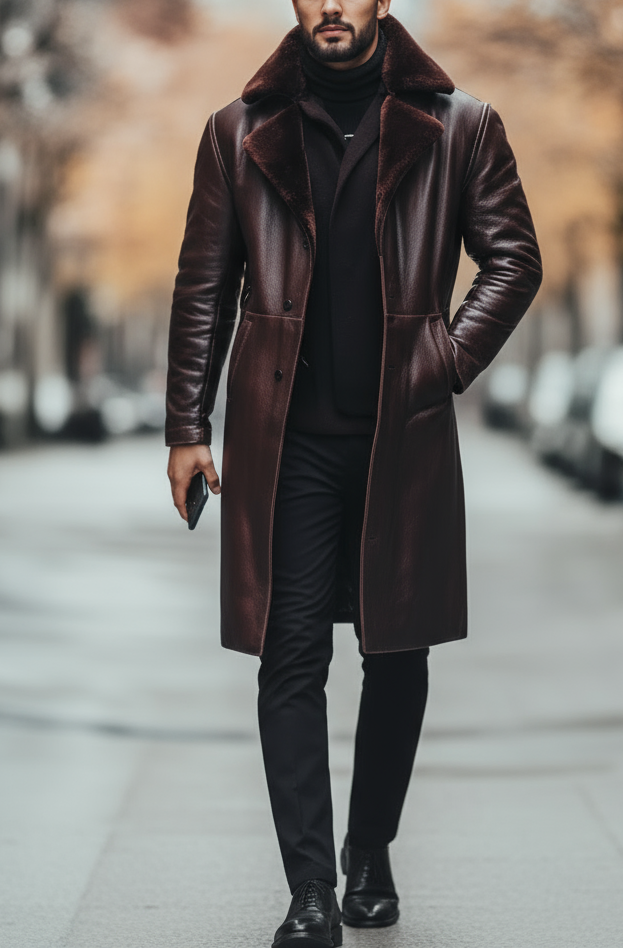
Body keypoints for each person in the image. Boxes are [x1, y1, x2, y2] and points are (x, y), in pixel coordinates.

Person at [165, 1, 541, 945]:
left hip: (399, 438)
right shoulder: (238, 131)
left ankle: (367, 853)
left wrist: (441, 360)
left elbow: (513, 260)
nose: (330, 5)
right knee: (289, 659)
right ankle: (310, 892)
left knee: (395, 652)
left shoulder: (460, 125)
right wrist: (185, 424)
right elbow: (203, 281)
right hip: (282, 440)